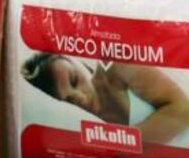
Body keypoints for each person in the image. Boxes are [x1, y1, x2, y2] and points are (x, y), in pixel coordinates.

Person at [22, 51, 189, 145]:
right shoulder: (75, 134)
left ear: (77, 61)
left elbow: (184, 109)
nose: (81, 98)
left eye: (74, 80)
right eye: (69, 101)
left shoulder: (116, 67)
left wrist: (117, 146)